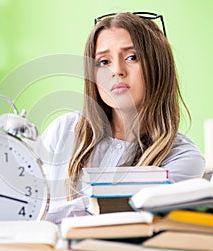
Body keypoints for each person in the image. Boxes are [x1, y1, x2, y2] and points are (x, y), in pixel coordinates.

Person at [39, 12, 205, 223]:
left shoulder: (184, 159)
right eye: (103, 62)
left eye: (132, 57)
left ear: (159, 66)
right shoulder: (63, 129)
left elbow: (119, 210)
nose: (116, 71)